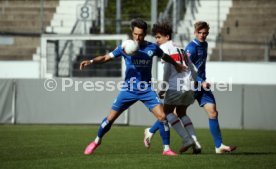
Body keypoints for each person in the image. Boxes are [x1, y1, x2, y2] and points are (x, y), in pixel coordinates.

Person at [80, 18, 186, 156]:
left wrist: (176, 64)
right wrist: (91, 61)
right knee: (110, 119)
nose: (138, 37)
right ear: (132, 32)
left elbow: (165, 56)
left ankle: (166, 149)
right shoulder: (125, 47)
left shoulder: (152, 47)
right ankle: (96, 141)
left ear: (145, 33)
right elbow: (106, 57)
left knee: (162, 117)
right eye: (135, 34)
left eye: (141, 34)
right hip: (128, 89)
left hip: (146, 89)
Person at [143, 21, 202, 154]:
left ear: (167, 37)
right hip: (189, 86)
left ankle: (187, 139)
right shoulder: (181, 49)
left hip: (176, 87)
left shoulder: (165, 49)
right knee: (181, 113)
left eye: (159, 37)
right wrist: (195, 84)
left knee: (166, 114)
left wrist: (163, 88)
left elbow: (167, 71)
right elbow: (193, 69)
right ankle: (196, 142)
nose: (156, 40)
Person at [185, 21, 236, 154]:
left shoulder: (205, 44)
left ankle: (219, 146)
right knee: (173, 114)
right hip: (191, 85)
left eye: (205, 33)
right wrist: (200, 81)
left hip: (202, 85)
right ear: (195, 32)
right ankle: (151, 131)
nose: (202, 35)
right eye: (200, 33)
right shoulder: (191, 48)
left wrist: (202, 81)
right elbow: (187, 69)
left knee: (213, 112)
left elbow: (200, 67)